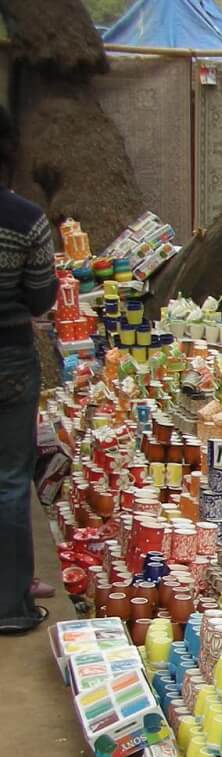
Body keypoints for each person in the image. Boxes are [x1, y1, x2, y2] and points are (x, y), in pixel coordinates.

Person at [0, 104, 56, 634]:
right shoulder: (26, 219)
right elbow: (41, 296)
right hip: (10, 358)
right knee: (11, 481)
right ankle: (10, 604)